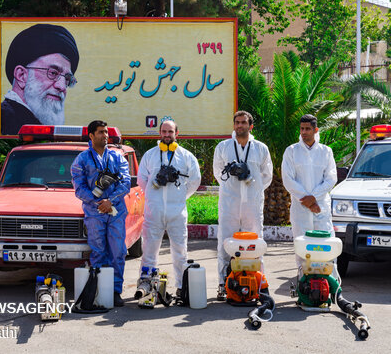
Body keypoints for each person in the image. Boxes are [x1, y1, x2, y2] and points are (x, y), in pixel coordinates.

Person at [213, 111, 273, 300]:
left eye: (243, 122)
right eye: (237, 122)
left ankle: (258, 282)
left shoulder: (260, 148)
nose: (240, 126)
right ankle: (224, 283)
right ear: (233, 125)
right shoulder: (223, 147)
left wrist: (251, 182)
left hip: (253, 203)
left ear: (251, 126)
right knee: (224, 241)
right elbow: (217, 173)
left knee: (255, 241)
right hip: (229, 202)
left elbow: (267, 175)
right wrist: (233, 184)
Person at [137, 118, 201, 294]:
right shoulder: (150, 155)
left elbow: (195, 180)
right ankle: (146, 284)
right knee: (149, 251)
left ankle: (181, 287)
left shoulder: (186, 156)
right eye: (164, 132)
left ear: (176, 134)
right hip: (153, 211)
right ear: (160, 134)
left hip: (177, 212)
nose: (167, 135)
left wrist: (180, 196)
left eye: (170, 132)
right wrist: (153, 196)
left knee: (180, 251)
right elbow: (142, 179)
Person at [71, 120, 131, 307]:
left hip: (116, 211)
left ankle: (114, 291)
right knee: (98, 252)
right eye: (100, 132)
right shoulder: (81, 159)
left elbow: (125, 183)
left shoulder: (118, 157)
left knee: (118, 251)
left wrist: (109, 201)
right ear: (91, 135)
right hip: (94, 212)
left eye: (106, 132)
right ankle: (98, 290)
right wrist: (97, 202)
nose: (105, 135)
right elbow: (78, 188)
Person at [281, 114, 338, 272]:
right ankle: (303, 287)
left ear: (315, 130)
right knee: (302, 247)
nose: (304, 132)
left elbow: (331, 178)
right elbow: (288, 179)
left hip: (321, 208)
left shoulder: (326, 151)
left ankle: (334, 291)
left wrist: (314, 198)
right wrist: (307, 200)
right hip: (300, 208)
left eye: (307, 129)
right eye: (302, 129)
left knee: (327, 246)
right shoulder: (291, 151)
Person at [1, 24, 80, 135]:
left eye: (67, 79)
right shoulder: (5, 121)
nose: (62, 86)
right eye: (53, 73)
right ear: (21, 76)